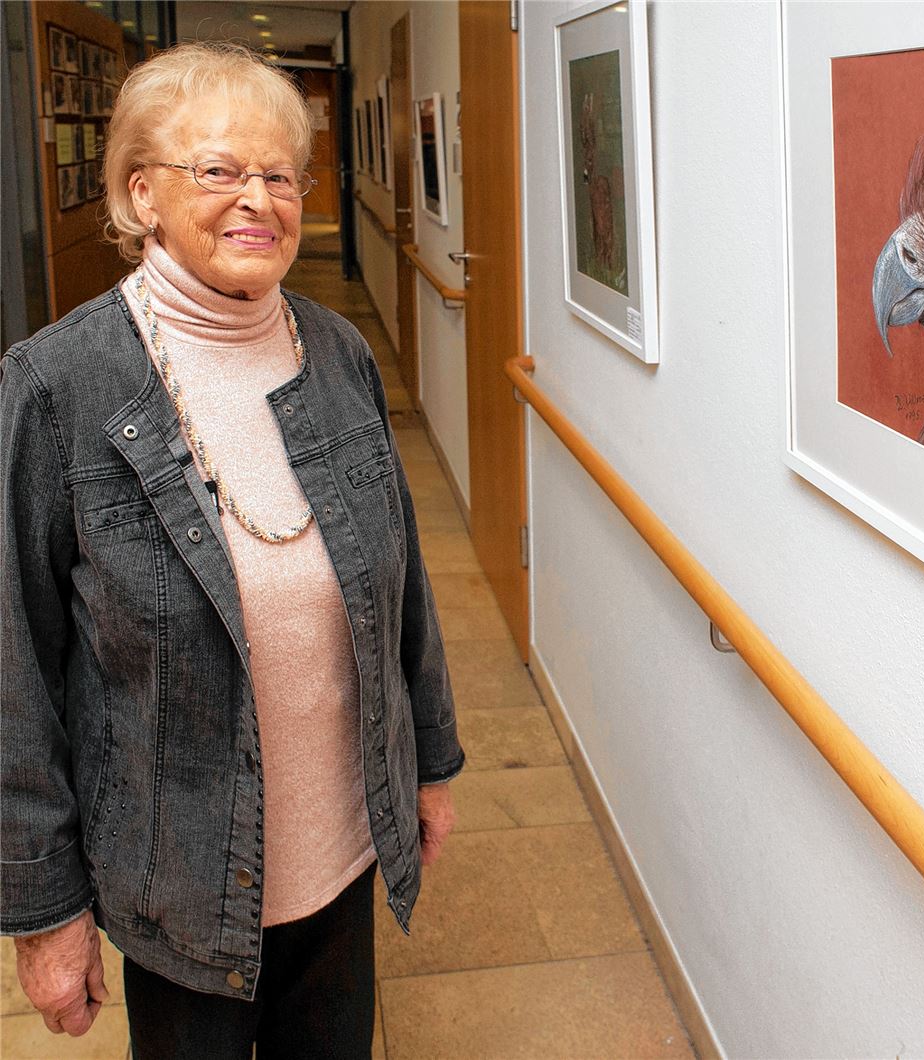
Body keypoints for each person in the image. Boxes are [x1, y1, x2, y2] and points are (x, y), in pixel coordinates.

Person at [1, 41, 464, 1058]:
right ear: (141, 195)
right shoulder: (57, 386)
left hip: (343, 856)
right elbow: (16, 671)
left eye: (279, 174)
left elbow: (403, 589)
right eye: (217, 170)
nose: (258, 197)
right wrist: (44, 912)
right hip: (181, 891)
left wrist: (430, 762)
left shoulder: (336, 352)